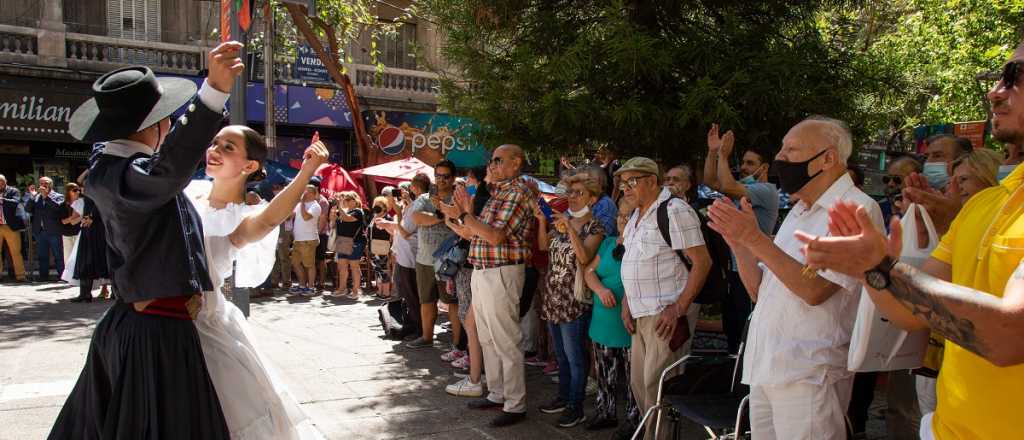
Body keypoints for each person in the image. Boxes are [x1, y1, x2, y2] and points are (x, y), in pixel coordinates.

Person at [50, 42, 244, 439]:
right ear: (154, 126)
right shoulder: (121, 173)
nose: (170, 126)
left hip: (156, 327)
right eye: (167, 119)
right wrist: (212, 94)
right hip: (154, 334)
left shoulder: (119, 170)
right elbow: (166, 172)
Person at [708, 116, 883, 439]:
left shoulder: (856, 210)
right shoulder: (801, 211)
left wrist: (755, 239)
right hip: (768, 366)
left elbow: (815, 290)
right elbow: (761, 291)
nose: (780, 158)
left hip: (809, 374)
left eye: (791, 149)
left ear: (827, 158)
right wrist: (740, 243)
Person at [185, 125, 328, 439]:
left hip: (205, 325)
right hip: (157, 322)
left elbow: (269, 219)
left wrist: (307, 169)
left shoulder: (241, 217)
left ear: (250, 166)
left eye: (228, 147)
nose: (215, 150)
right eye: (215, 142)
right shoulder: (186, 192)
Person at [437, 144, 535, 428]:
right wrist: (458, 215)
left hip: (501, 272)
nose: (491, 165)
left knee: (505, 339)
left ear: (516, 163)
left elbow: (494, 237)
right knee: (489, 338)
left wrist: (464, 214)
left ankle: (515, 404)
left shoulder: (517, 193)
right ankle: (497, 393)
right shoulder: (499, 193)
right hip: (484, 271)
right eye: (491, 160)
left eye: (497, 160)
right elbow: (473, 231)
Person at [616, 157, 711, 440]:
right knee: (640, 385)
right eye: (622, 183)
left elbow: (702, 263)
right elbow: (633, 262)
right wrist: (626, 302)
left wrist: (679, 308)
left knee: (658, 388)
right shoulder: (636, 214)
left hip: (665, 316)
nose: (625, 188)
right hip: (640, 313)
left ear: (652, 181)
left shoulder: (675, 211)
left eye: (632, 182)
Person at [535, 173, 606, 428]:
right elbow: (544, 247)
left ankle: (576, 406)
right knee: (562, 356)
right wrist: (543, 221)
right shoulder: (563, 223)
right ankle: (563, 398)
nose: (573, 198)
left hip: (574, 299)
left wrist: (571, 228)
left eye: (579, 193)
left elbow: (585, 257)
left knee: (575, 356)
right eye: (571, 193)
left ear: (593, 198)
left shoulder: (595, 227)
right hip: (554, 296)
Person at [705, 124, 780, 355]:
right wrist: (712, 153)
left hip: (753, 273)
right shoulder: (745, 187)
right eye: (743, 162)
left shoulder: (765, 190)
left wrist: (723, 155)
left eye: (751, 163)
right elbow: (712, 183)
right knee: (733, 331)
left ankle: (744, 387)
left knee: (746, 337)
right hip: (735, 272)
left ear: (764, 167)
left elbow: (726, 184)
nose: (744, 167)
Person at [582, 198, 639, 434]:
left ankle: (635, 418)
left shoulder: (641, 245)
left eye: (629, 215)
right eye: (620, 215)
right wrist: (600, 289)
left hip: (628, 322)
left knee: (633, 376)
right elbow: (589, 271)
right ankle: (606, 411)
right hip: (602, 320)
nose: (622, 220)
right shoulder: (607, 243)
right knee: (605, 371)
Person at [444, 166, 492, 396]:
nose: (467, 181)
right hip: (479, 267)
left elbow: (471, 232)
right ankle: (477, 376)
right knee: (471, 322)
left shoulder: (486, 199)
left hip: (485, 269)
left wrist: (459, 216)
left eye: (471, 178)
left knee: (480, 326)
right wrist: (456, 214)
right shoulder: (484, 198)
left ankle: (481, 377)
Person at [406, 162, 458, 350]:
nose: (441, 179)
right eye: (438, 175)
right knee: (426, 301)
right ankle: (426, 336)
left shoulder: (458, 199)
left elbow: (459, 219)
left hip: (449, 260)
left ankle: (457, 343)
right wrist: (440, 215)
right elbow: (417, 218)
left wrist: (437, 214)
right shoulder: (424, 198)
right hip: (425, 260)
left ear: (452, 178)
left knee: (453, 302)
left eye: (445, 176)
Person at [375, 181, 422, 340]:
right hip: (402, 256)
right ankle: (408, 326)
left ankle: (417, 329)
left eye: (403, 192)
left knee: (411, 295)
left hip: (411, 258)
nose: (400, 195)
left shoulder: (416, 206)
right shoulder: (407, 207)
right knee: (404, 295)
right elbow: (400, 231)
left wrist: (394, 215)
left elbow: (406, 232)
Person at [61, 176, 111, 303]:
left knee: (105, 261)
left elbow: (105, 208)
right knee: (85, 262)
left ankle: (114, 293)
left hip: (100, 231)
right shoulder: (87, 199)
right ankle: (85, 294)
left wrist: (92, 217)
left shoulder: (101, 196)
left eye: (83, 187)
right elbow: (80, 179)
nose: (81, 189)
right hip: (88, 231)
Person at [25, 176, 66, 282]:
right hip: (40, 231)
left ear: (51, 185)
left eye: (45, 183)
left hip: (54, 231)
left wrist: (46, 197)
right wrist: (32, 197)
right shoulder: (36, 197)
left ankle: (62, 276)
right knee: (42, 255)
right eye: (41, 183)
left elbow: (58, 209)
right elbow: (27, 209)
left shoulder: (58, 196)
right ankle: (43, 276)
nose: (43, 185)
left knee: (58, 254)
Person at [331, 191, 367, 299]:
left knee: (354, 267)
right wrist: (334, 211)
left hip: (354, 242)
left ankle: (356, 290)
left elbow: (347, 218)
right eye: (344, 199)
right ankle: (342, 289)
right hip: (342, 241)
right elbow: (333, 224)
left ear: (354, 201)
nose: (344, 201)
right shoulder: (343, 211)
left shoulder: (358, 212)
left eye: (347, 199)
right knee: (342, 267)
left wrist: (339, 206)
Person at [289, 185, 321, 295]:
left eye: (305, 192)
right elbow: (291, 216)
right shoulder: (299, 204)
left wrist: (302, 202)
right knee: (295, 263)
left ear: (312, 193)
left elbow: (306, 217)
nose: (303, 194)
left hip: (308, 239)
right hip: (298, 239)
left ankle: (311, 287)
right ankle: (302, 285)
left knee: (309, 265)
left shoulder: (315, 206)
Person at [0, 174, 27, 282]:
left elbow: (16, 202)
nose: (0, 183)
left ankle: (20, 276)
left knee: (16, 251)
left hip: (10, 226)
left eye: (2, 181)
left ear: (5, 181)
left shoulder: (13, 191)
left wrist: (2, 199)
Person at [368, 196, 393, 299]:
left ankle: (386, 292)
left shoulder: (387, 218)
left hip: (383, 247)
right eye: (376, 205)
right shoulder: (374, 217)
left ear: (384, 207)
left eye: (379, 205)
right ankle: (379, 291)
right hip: (374, 247)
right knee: (377, 269)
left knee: (384, 270)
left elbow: (391, 234)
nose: (377, 207)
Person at [60, 183, 83, 265]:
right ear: (68, 192)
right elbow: (63, 221)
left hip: (79, 233)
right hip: (67, 234)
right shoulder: (63, 205)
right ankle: (68, 277)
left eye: (79, 190)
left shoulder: (81, 203)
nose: (78, 192)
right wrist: (75, 216)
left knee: (79, 257)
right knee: (68, 258)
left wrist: (78, 217)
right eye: (75, 190)